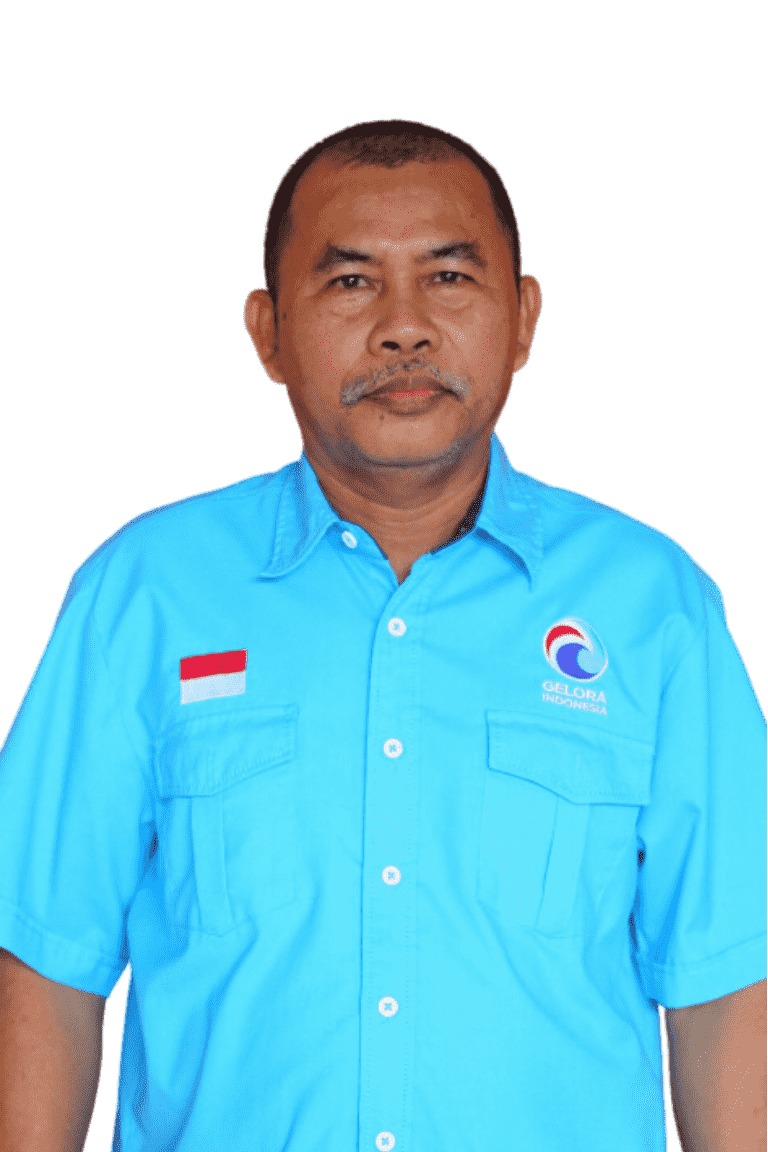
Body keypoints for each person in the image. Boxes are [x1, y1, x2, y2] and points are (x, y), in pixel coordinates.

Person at [0, 118, 764, 1152]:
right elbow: (44, 964)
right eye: (352, 282)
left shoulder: (653, 607)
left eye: (449, 278)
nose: (405, 328)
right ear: (269, 332)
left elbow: (727, 985)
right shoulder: (143, 596)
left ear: (523, 318)